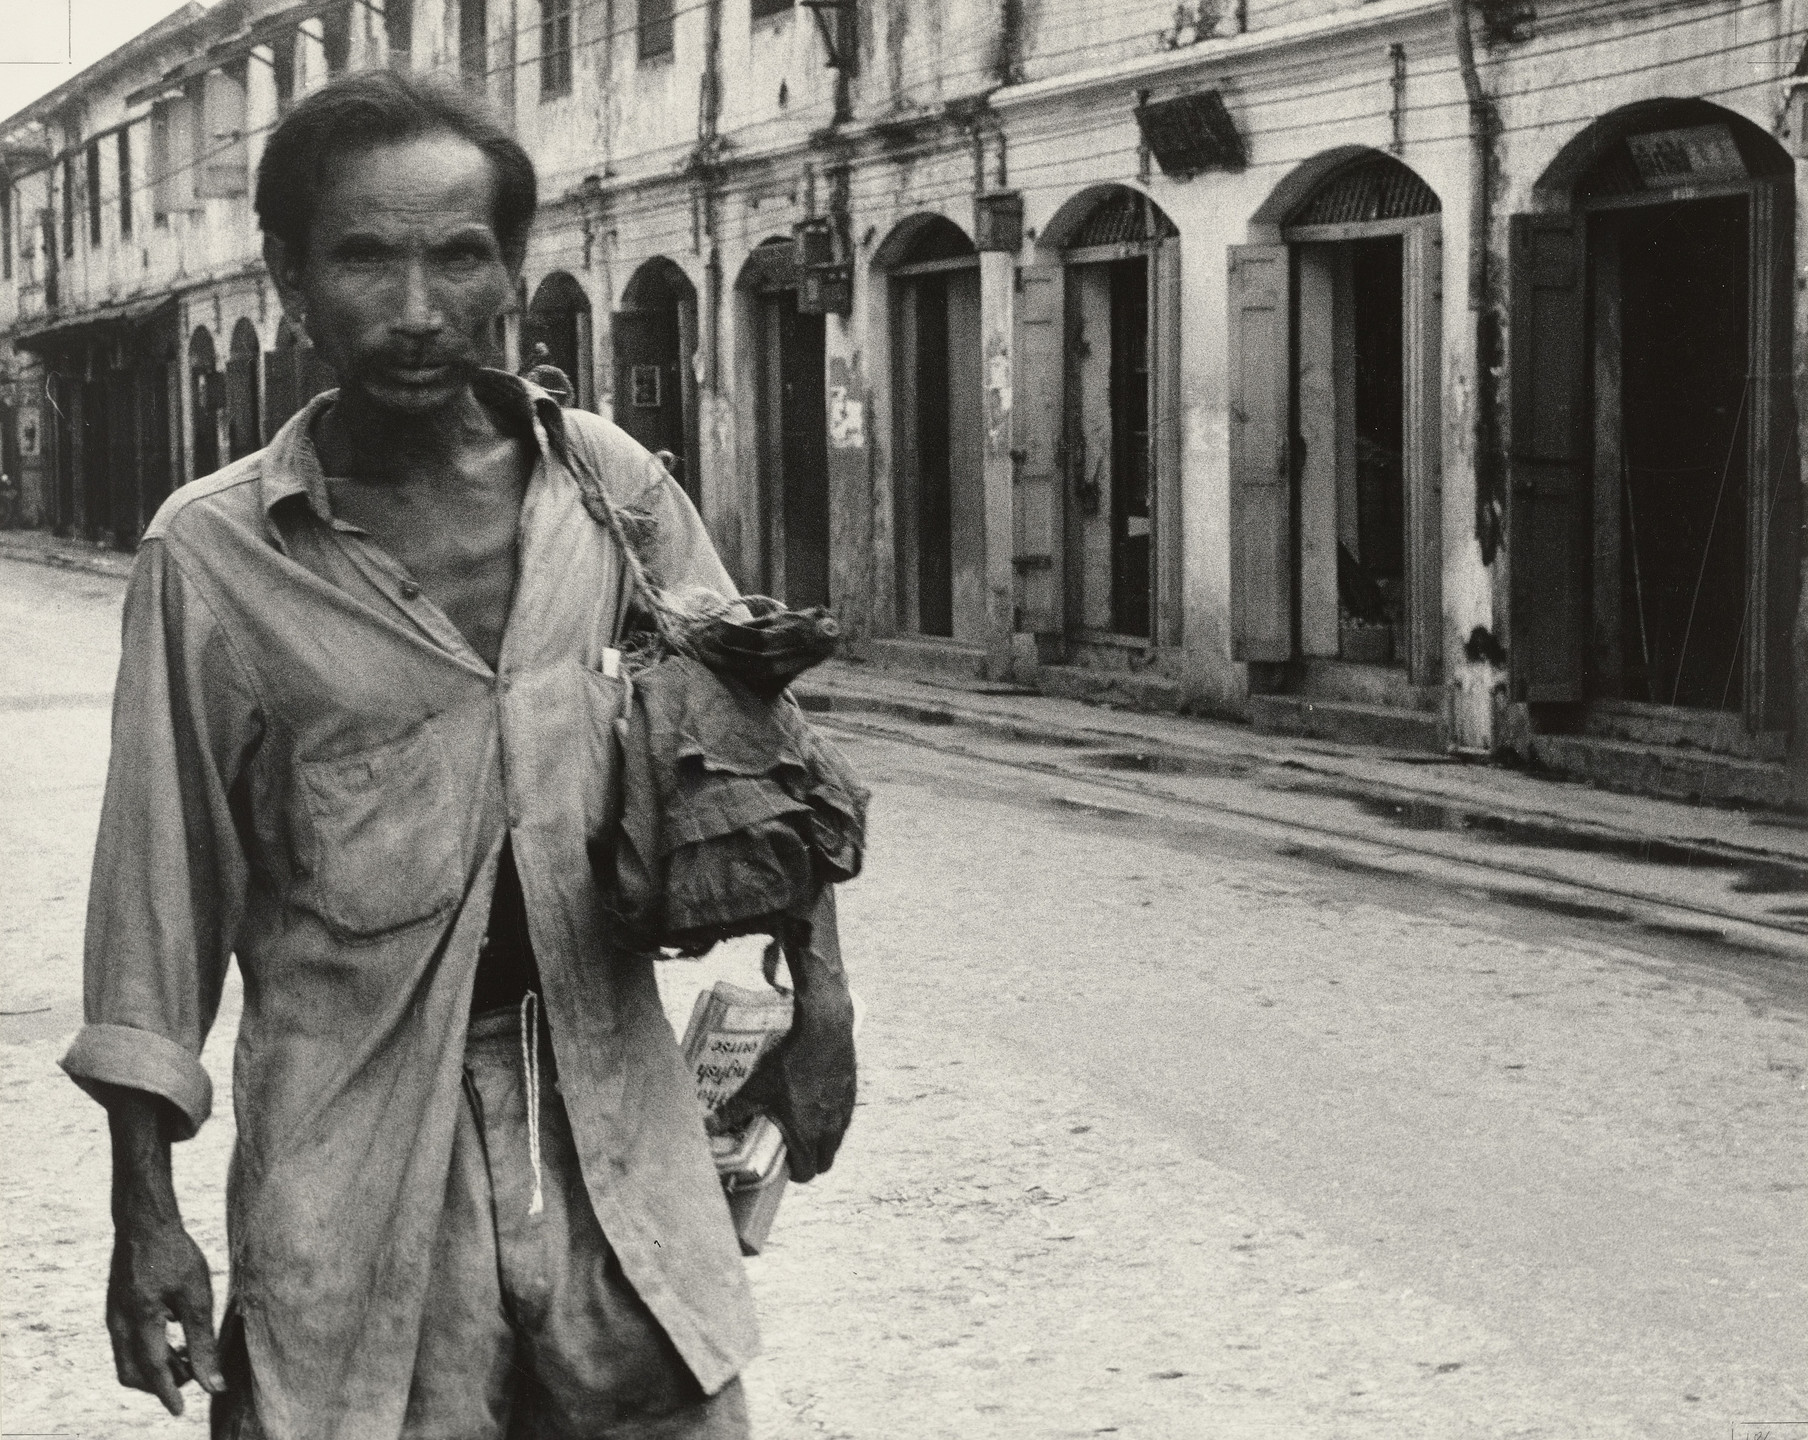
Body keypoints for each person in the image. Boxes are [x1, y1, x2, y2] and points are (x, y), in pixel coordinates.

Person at [60, 70, 856, 1439]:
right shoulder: (214, 556)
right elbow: (155, 906)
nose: (419, 309)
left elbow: (752, 760)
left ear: (510, 271)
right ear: (290, 277)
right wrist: (147, 1215)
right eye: (366, 258)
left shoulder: (607, 492)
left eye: (459, 257)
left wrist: (820, 1004)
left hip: (616, 1133)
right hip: (353, 1170)